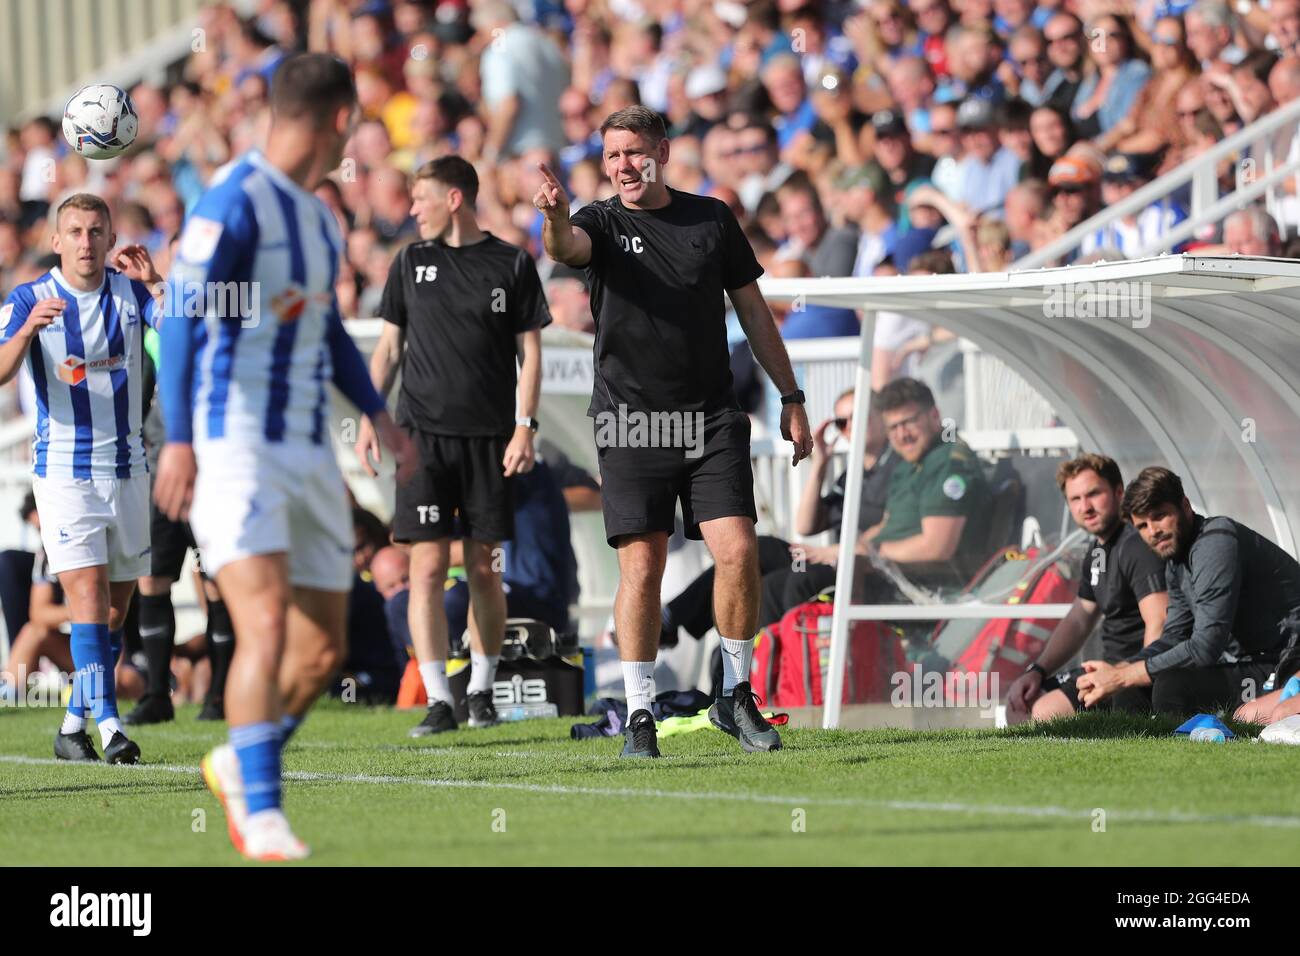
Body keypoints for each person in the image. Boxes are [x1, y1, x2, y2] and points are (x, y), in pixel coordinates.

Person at [154, 53, 414, 861]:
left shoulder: (316, 217)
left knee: (321, 649)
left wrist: (377, 411)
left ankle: (239, 759)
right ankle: (263, 816)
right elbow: (182, 320)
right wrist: (180, 439)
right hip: (234, 446)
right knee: (262, 620)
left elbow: (327, 331)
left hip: (308, 452)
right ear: (341, 119)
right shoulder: (232, 200)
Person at [534, 104, 813, 758]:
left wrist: (791, 396)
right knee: (643, 567)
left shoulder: (711, 218)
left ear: (662, 150)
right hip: (632, 421)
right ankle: (638, 715)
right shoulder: (598, 220)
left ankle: (735, 697)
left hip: (711, 418)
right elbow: (566, 247)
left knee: (739, 550)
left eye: (634, 151)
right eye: (612, 156)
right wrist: (552, 216)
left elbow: (755, 314)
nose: (624, 166)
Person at [356, 155, 547, 737]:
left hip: (489, 438)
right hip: (421, 440)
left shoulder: (511, 262)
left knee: (486, 569)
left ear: (455, 199)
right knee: (427, 567)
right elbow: (389, 348)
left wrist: (524, 426)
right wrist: (371, 412)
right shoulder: (410, 262)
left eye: (421, 199)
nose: (412, 210)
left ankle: (482, 689)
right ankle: (440, 697)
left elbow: (531, 353)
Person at [0, 193, 165, 766]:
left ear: (112, 238)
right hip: (66, 474)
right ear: (55, 240)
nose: (86, 242)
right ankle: (112, 727)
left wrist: (160, 283)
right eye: (74, 231)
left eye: (97, 231)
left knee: (115, 613)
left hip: (130, 469)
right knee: (88, 599)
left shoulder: (132, 290)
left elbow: (189, 342)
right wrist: (25, 334)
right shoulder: (29, 298)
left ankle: (72, 726)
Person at [1078, 467, 1300, 716]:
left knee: (1172, 687)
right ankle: (1133, 753)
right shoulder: (1176, 559)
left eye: (1160, 516)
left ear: (1185, 505)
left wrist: (1122, 676)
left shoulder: (1215, 542)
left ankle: (1184, 752)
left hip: (1287, 661)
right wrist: (1117, 671)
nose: (1153, 531)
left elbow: (1205, 647)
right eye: (1142, 525)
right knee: (1130, 691)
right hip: (1254, 663)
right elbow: (1173, 636)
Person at [1006, 454, 1168, 723]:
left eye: (1094, 494)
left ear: (1119, 492)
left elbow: (1160, 621)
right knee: (1022, 699)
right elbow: (1079, 620)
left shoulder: (1136, 544)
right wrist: (1036, 670)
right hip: (1107, 669)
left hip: (1133, 674)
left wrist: (1129, 677)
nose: (1086, 507)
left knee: (1044, 711)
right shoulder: (1097, 550)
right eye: (1076, 499)